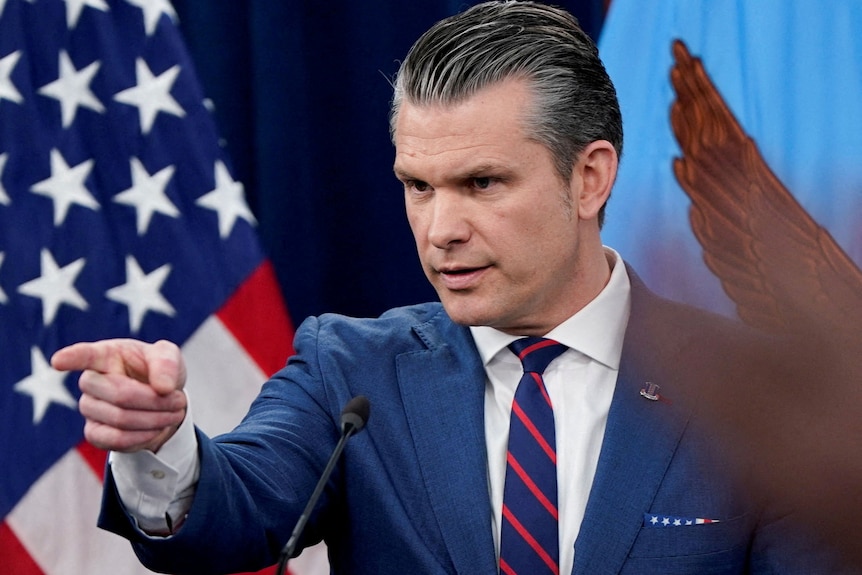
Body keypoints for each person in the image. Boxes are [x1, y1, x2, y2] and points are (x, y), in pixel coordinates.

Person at [51, 2, 849, 573]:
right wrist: (162, 444)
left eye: (481, 182)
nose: (440, 229)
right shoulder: (350, 370)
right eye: (419, 186)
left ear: (590, 177)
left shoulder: (752, 395)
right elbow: (235, 512)